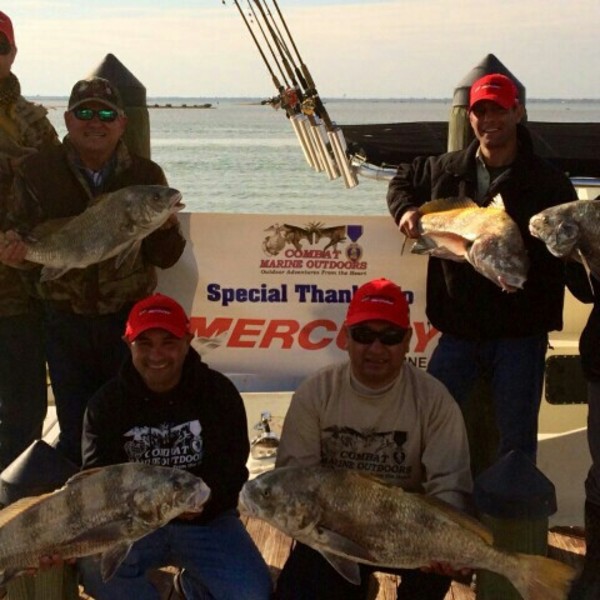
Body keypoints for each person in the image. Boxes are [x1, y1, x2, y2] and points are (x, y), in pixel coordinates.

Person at [386, 72, 580, 462]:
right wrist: (406, 211)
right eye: (480, 111)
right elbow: (401, 180)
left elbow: (568, 252)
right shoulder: (445, 169)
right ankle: (438, 497)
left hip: (521, 338)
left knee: (516, 442)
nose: (489, 120)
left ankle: (510, 501)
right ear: (469, 117)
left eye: (500, 110)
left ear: (518, 112)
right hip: (458, 332)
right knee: (427, 427)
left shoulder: (550, 183)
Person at [0, 76, 186, 466]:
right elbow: (20, 236)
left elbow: (166, 258)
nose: (95, 122)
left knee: (131, 424)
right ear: (68, 119)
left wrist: (166, 228)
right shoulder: (37, 170)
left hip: (127, 323)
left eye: (106, 114)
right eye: (84, 112)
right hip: (63, 321)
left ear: (122, 123)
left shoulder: (147, 176)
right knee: (76, 427)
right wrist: (17, 254)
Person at [274, 277, 473, 600]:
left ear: (408, 340)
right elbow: (294, 483)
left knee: (431, 580)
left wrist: (449, 547)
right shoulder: (315, 393)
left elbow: (450, 486)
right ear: (346, 337)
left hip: (411, 533)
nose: (376, 348)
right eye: (364, 335)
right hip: (335, 533)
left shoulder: (435, 400)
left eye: (390, 337)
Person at [77, 293, 273, 600]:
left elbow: (233, 470)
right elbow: (96, 482)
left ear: (187, 341)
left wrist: (206, 502)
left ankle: (193, 585)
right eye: (144, 343)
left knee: (252, 593)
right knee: (95, 571)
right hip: (133, 527)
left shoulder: (219, 393)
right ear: (128, 343)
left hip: (207, 522)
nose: (156, 354)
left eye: (168, 342)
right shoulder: (104, 405)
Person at [0, 11, 59, 470]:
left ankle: (11, 500)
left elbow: (58, 192)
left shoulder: (34, 122)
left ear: (13, 52)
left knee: (23, 409)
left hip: (18, 291)